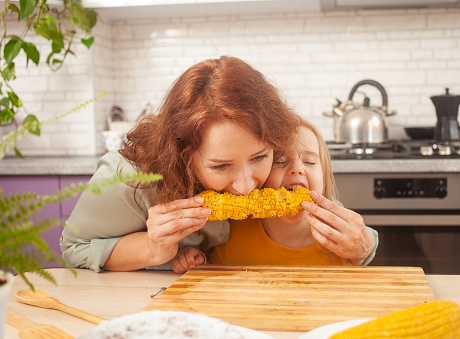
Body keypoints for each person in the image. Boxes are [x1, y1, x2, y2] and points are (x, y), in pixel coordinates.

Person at [60, 56, 302, 272]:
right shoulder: (128, 179)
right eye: (220, 166)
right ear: (182, 152)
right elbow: (74, 248)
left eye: (259, 158)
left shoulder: (281, 163)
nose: (246, 186)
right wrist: (151, 248)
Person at [171, 119, 378, 273]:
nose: (297, 169)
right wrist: (195, 261)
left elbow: (362, 238)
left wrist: (365, 246)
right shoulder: (231, 225)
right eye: (280, 161)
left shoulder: (333, 224)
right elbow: (213, 274)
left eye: (310, 162)